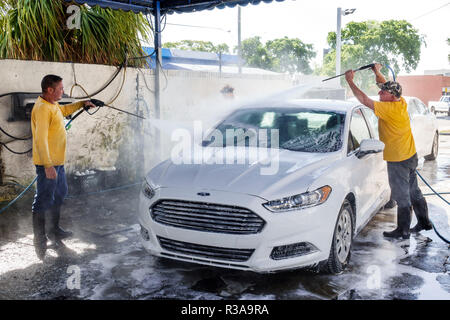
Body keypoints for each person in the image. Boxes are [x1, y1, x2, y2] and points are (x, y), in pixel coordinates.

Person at [344, 63, 433, 240]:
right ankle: (424, 222)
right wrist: (377, 72)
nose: (379, 93)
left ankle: (403, 230)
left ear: (391, 97)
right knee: (413, 191)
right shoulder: (400, 102)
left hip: (398, 159)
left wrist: (350, 82)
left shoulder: (388, 109)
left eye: (383, 93)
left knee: (401, 196)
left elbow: (363, 100)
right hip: (409, 155)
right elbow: (383, 84)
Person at [31, 74, 95, 259]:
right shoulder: (42, 109)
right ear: (50, 90)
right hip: (48, 165)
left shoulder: (52, 105)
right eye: (60, 89)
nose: (63, 91)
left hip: (58, 163)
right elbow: (40, 140)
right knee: (42, 199)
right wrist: (48, 165)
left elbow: (64, 110)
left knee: (59, 194)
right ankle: (39, 239)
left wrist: (83, 103)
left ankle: (54, 230)